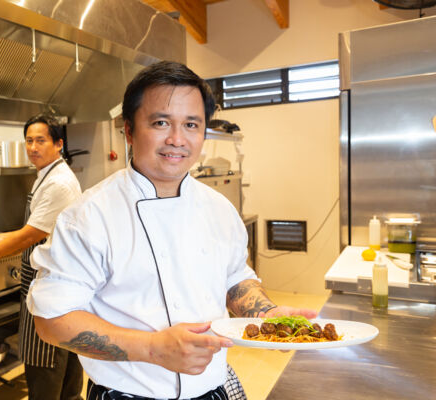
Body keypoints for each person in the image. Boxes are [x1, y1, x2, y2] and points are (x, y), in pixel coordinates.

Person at [26, 62, 317, 399]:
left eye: (191, 124)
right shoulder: (88, 216)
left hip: (213, 388)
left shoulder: (219, 208)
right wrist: (152, 348)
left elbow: (234, 277)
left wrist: (268, 315)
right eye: (161, 122)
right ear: (130, 131)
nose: (177, 139)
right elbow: (51, 320)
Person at [0, 114, 83, 400]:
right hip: (51, 290)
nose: (33, 147)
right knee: (66, 377)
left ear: (58, 144)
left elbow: (29, 237)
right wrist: (3, 237)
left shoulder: (58, 184)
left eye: (41, 140)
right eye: (29, 141)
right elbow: (36, 229)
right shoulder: (48, 175)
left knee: (46, 371)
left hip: (51, 292)